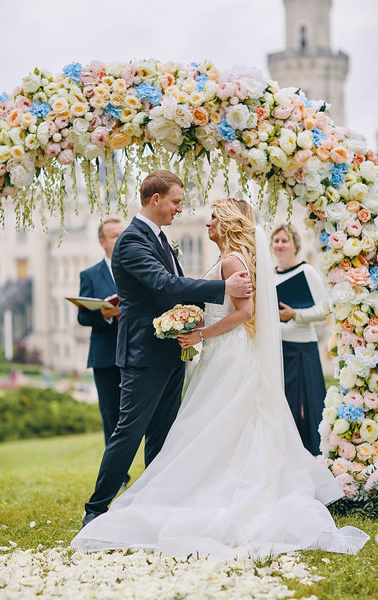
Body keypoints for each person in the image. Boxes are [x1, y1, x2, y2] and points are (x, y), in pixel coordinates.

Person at [72, 197, 368, 558]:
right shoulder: (232, 258)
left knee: (212, 424)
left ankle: (211, 493)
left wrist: (200, 335)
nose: (206, 223)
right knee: (220, 426)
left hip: (229, 353)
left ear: (227, 222)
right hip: (224, 353)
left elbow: (244, 312)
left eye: (213, 218)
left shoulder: (231, 260)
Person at [79, 172, 253, 527]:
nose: (180, 208)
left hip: (172, 351)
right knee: (129, 431)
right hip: (143, 354)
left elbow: (173, 290)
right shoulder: (131, 241)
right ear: (155, 199)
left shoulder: (158, 238)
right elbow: (164, 284)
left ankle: (154, 504)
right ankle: (96, 508)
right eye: (175, 201)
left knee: (162, 433)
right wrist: (222, 288)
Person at [77, 218, 130, 488]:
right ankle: (118, 475)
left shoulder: (134, 269)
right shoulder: (89, 275)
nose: (119, 239)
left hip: (134, 352)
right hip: (105, 355)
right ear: (102, 242)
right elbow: (82, 317)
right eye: (113, 236)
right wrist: (106, 315)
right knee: (111, 415)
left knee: (131, 414)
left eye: (122, 235)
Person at [271, 224, 327, 456]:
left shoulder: (307, 272)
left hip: (304, 349)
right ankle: (290, 456)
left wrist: (295, 314)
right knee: (287, 408)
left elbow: (324, 309)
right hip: (280, 349)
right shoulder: (271, 277)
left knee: (310, 407)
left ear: (295, 244)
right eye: (276, 241)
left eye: (285, 240)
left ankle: (317, 454)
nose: (280, 245)